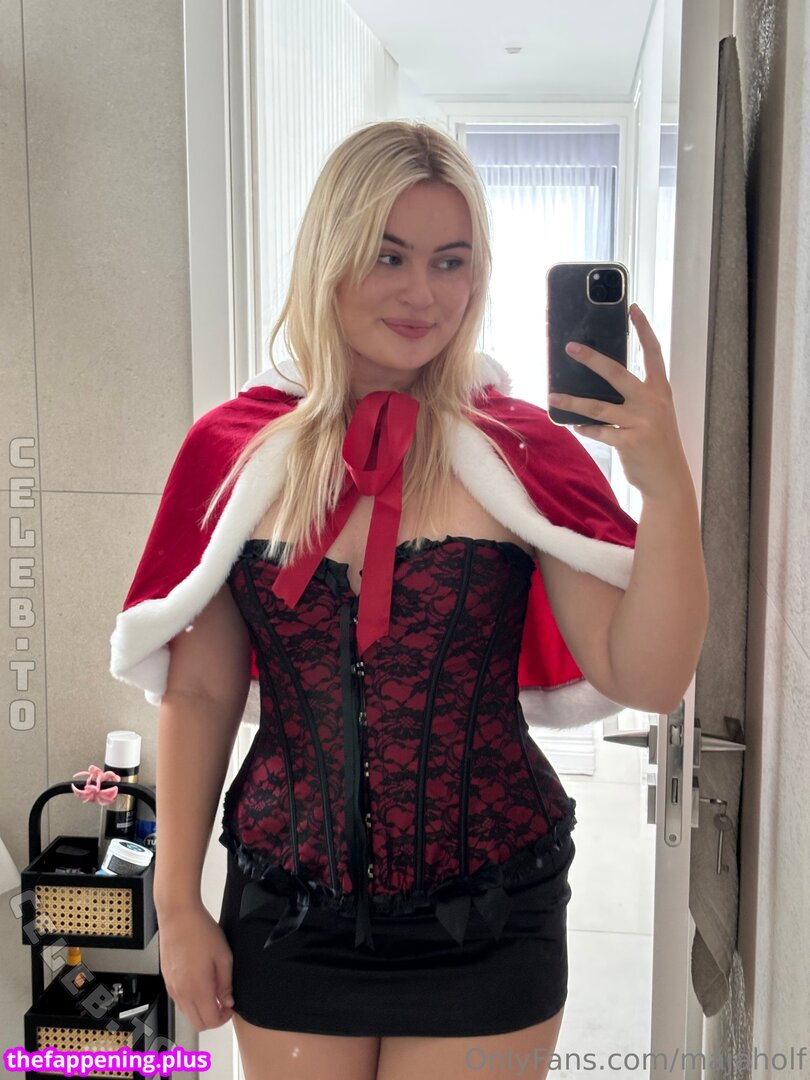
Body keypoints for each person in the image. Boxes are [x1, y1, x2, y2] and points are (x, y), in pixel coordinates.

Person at [110, 120, 709, 1080]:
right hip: (287, 910)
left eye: (450, 261)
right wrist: (178, 903)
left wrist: (667, 485)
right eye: (388, 255)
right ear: (329, 255)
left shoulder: (518, 452)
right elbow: (202, 692)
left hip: (493, 913)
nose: (422, 293)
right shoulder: (238, 454)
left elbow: (648, 676)